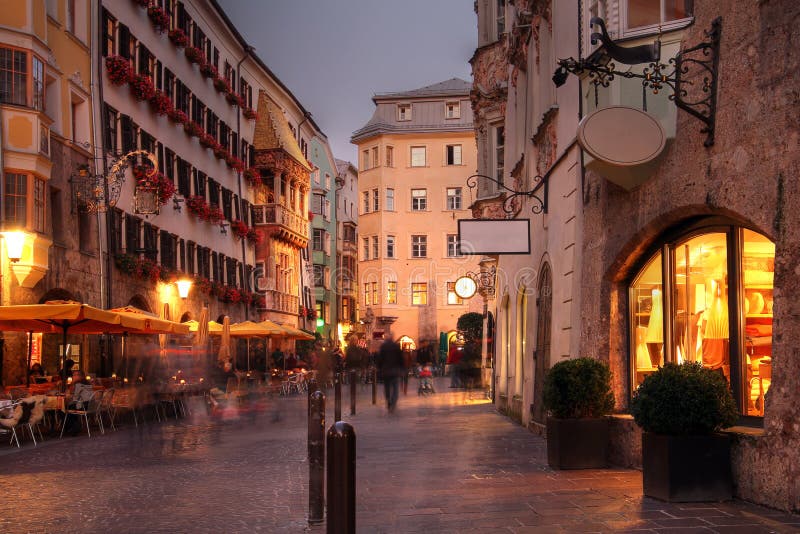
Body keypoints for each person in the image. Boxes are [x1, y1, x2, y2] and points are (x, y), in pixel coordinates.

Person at [62, 370, 94, 435]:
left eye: (77, 375)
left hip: (83, 406)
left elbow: (74, 397)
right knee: (66, 407)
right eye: (74, 375)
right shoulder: (87, 382)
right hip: (88, 405)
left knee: (63, 409)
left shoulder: (79, 384)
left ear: (82, 376)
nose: (75, 376)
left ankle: (72, 428)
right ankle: (72, 427)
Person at [378, 336, 403, 413]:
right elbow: (400, 358)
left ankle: (388, 400)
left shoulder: (383, 346)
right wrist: (402, 368)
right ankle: (393, 403)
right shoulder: (396, 346)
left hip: (386, 371)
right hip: (395, 371)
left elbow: (380, 359)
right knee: (395, 388)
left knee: (387, 387)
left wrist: (379, 368)